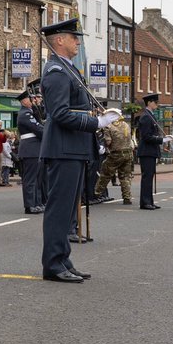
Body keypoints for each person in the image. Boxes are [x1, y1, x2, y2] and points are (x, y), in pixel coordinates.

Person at [39, 18, 111, 283]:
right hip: (64, 148)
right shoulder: (57, 71)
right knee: (60, 209)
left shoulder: (68, 69)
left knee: (69, 209)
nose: (78, 42)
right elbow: (59, 113)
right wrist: (96, 123)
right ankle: (53, 264)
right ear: (59, 40)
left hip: (74, 148)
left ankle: (63, 259)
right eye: (73, 37)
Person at [93, 111, 134, 204]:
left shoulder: (109, 126)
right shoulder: (125, 125)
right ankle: (127, 197)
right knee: (125, 177)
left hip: (116, 154)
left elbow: (108, 142)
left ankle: (96, 193)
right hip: (128, 153)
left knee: (105, 173)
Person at [15, 91, 45, 213]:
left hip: (34, 149)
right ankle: (29, 205)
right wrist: (48, 132)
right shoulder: (25, 114)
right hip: (30, 149)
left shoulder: (30, 112)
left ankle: (37, 203)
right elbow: (37, 128)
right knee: (30, 179)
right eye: (29, 99)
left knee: (37, 179)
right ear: (24, 101)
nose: (32, 100)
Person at [136, 94, 163, 210]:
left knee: (149, 177)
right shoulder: (146, 117)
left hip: (150, 151)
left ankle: (149, 201)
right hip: (146, 151)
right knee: (147, 178)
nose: (157, 104)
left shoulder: (150, 116)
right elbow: (146, 136)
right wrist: (161, 140)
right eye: (155, 102)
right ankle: (145, 202)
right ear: (149, 103)